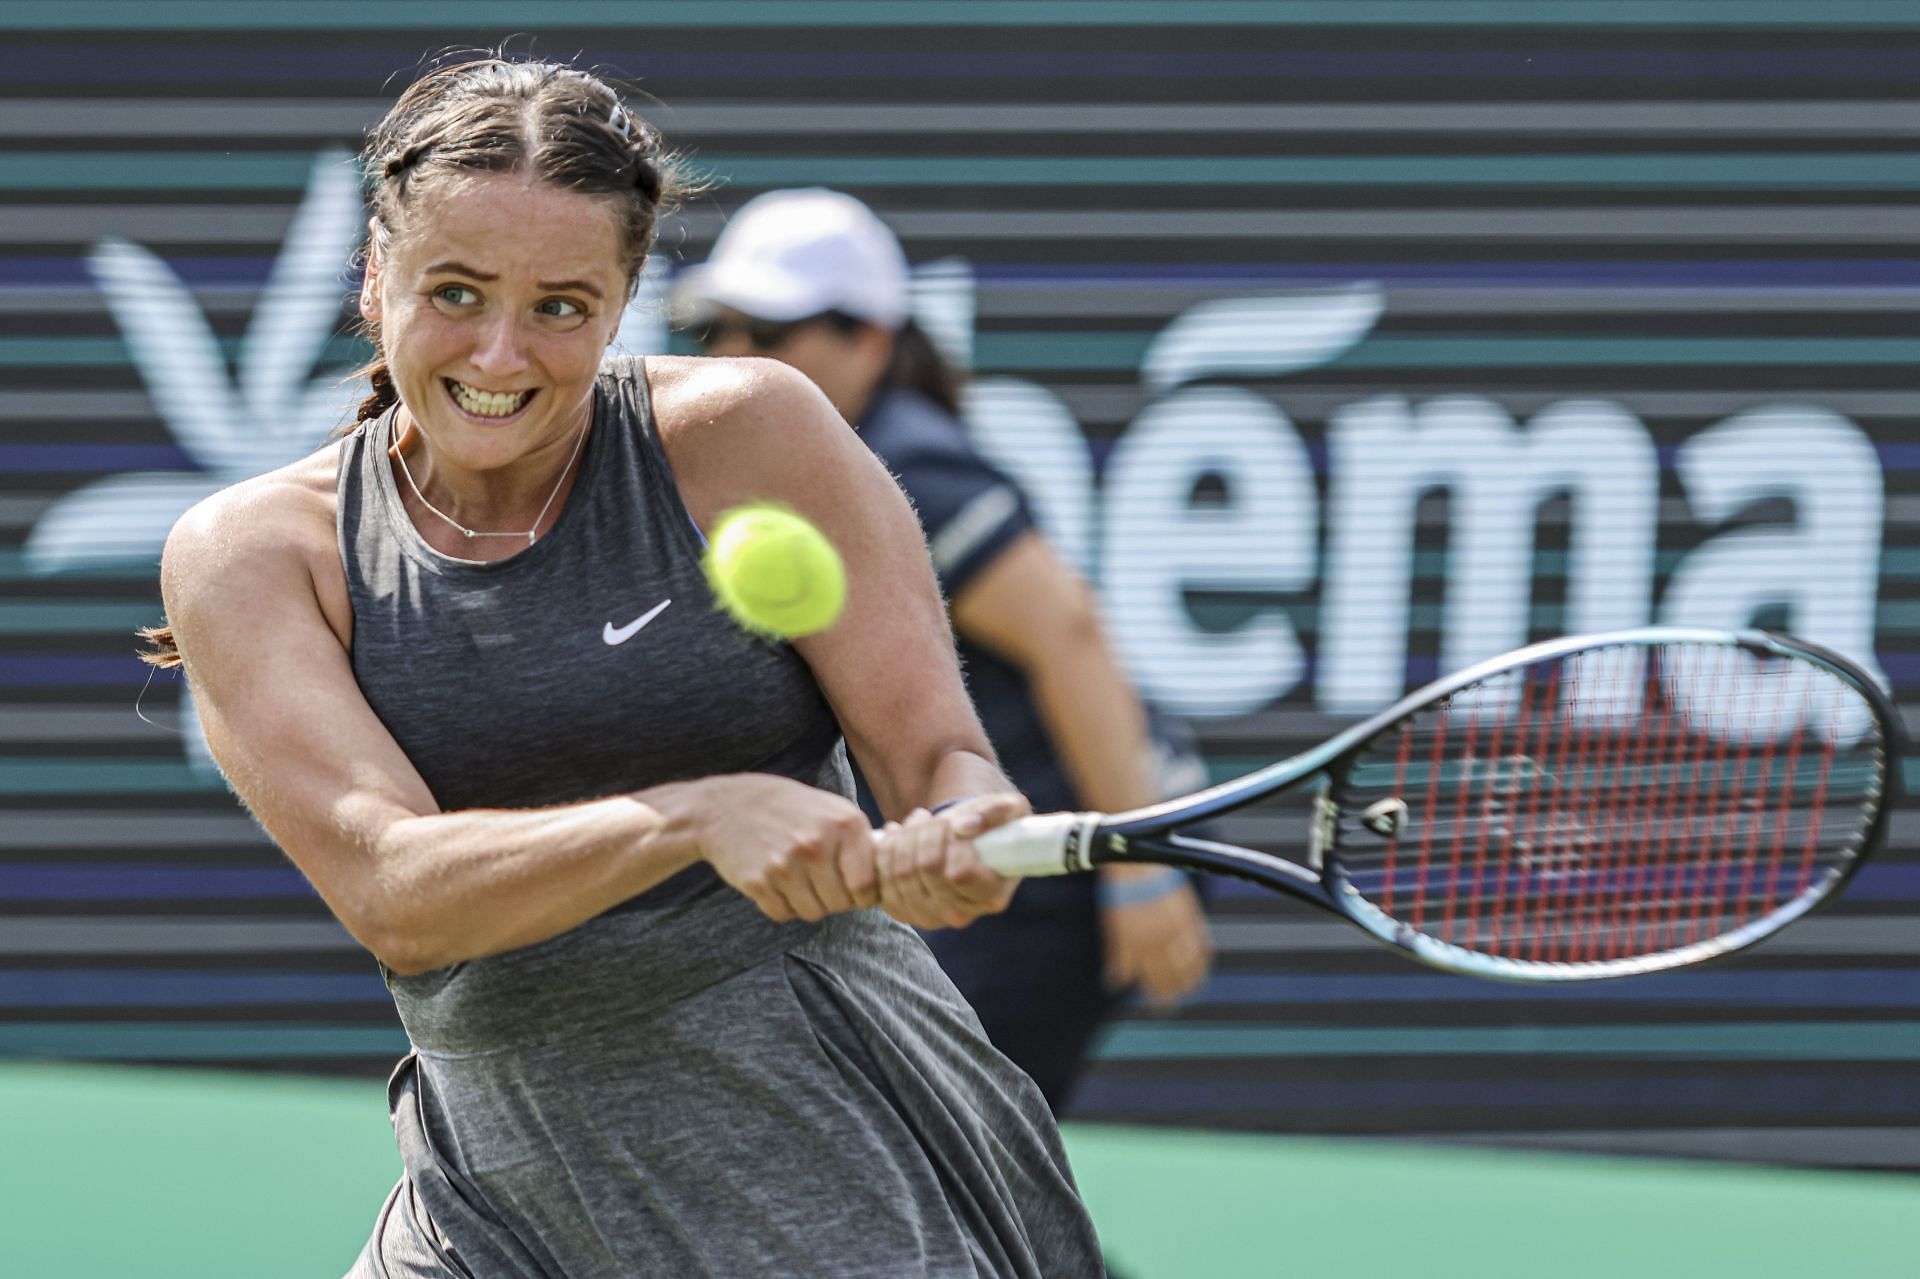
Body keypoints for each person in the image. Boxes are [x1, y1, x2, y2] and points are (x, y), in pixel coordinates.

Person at [143, 59, 1104, 1277]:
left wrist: (957, 835)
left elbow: (936, 758)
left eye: (561, 305)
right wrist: (701, 817)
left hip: (836, 1149)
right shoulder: (253, 554)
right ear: (374, 276)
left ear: (624, 297)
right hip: (491, 1196)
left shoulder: (753, 432)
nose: (501, 352)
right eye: (455, 290)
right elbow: (395, 891)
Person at [675, 190, 1213, 1113]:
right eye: (717, 328)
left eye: (768, 332)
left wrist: (1137, 866)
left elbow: (1069, 633)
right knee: (931, 1159)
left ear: (872, 342)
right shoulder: (812, 457)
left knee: (930, 1145)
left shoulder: (904, 463)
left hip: (1054, 859)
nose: (733, 360)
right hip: (997, 860)